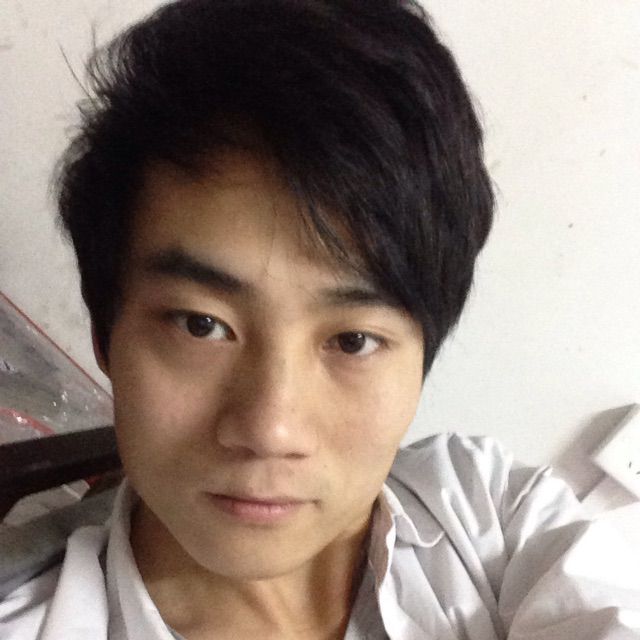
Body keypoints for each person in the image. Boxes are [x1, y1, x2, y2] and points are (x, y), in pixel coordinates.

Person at [1, 1, 638, 638]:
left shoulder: (492, 515)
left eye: (353, 340)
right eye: (200, 325)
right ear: (105, 335)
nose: (270, 429)